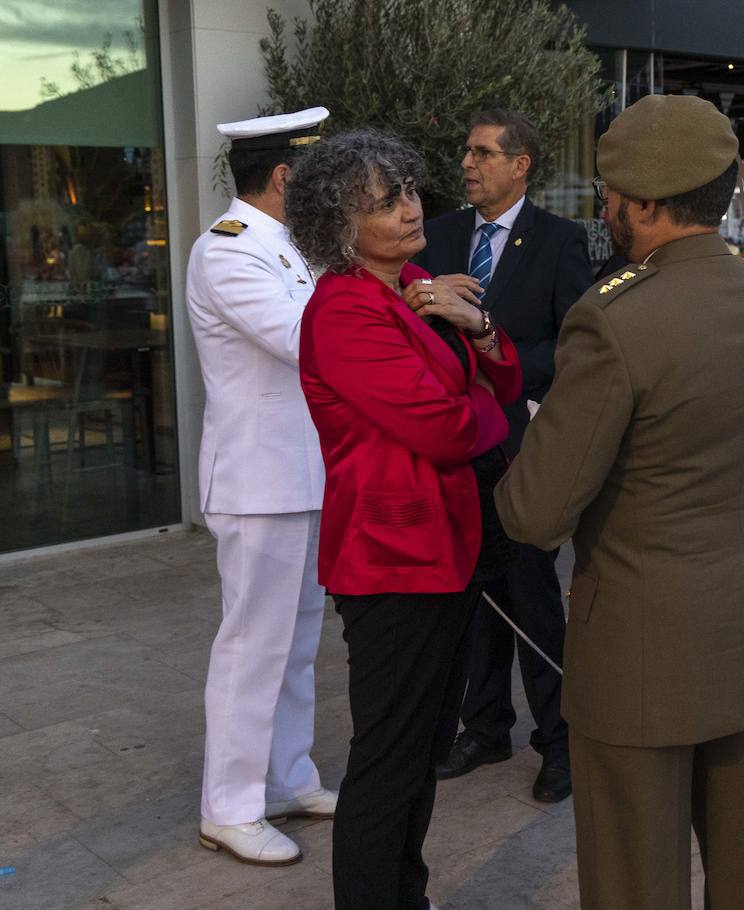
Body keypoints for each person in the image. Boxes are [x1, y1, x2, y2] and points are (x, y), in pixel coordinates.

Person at [494, 94, 744, 910]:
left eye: (607, 194)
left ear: (641, 204)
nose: (603, 208)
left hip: (642, 637)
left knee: (637, 878)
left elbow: (535, 512)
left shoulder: (612, 320)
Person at [286, 130, 523, 910]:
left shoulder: (417, 283)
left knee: (420, 753)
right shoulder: (343, 311)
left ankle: (405, 898)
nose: (411, 210)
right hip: (390, 559)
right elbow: (450, 430)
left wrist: (478, 329)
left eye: (410, 191)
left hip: (447, 549)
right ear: (338, 225)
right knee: (388, 762)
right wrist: (483, 404)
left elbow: (505, 376)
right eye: (384, 203)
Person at [414, 109, 591, 803]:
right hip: (456, 446)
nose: (467, 163)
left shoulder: (560, 240)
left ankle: (561, 740)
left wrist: (499, 359)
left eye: (483, 152)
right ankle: (485, 726)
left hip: (521, 447)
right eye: (465, 150)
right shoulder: (442, 236)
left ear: (521, 164)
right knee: (473, 594)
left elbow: (575, 343)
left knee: (531, 594)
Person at [186, 106, 336, 867]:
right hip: (258, 480)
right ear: (284, 177)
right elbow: (301, 339)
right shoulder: (228, 251)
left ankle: (286, 776)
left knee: (297, 644)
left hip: (303, 474)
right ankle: (230, 807)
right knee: (252, 647)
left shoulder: (292, 245)